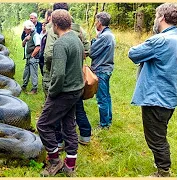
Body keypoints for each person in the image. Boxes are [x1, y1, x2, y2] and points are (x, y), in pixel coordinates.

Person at [128, 3, 177, 177]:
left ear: (162, 18)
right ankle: (162, 166)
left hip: (156, 97)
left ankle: (163, 171)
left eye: (157, 16)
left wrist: (151, 38)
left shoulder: (160, 40)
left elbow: (133, 53)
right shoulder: (176, 37)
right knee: (160, 133)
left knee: (156, 138)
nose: (155, 20)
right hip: (168, 95)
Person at [37, 9, 84, 177]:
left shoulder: (60, 43)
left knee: (43, 125)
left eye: (51, 24)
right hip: (76, 90)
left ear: (55, 25)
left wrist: (52, 92)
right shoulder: (76, 39)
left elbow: (59, 74)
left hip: (63, 92)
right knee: (69, 126)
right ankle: (70, 165)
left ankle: (55, 161)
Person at [89, 12, 115, 129]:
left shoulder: (104, 36)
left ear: (99, 22)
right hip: (106, 69)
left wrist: (94, 40)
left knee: (102, 98)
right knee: (106, 96)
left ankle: (104, 124)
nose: (95, 23)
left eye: (96, 21)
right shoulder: (109, 34)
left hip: (101, 69)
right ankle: (108, 120)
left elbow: (92, 52)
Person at [21, 20, 41, 94]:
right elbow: (23, 45)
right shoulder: (27, 35)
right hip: (28, 58)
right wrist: (25, 39)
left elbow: (38, 47)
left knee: (33, 73)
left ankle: (34, 89)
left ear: (29, 29)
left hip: (33, 58)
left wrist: (32, 56)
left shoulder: (35, 35)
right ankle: (24, 86)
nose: (24, 30)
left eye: (25, 29)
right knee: (26, 73)